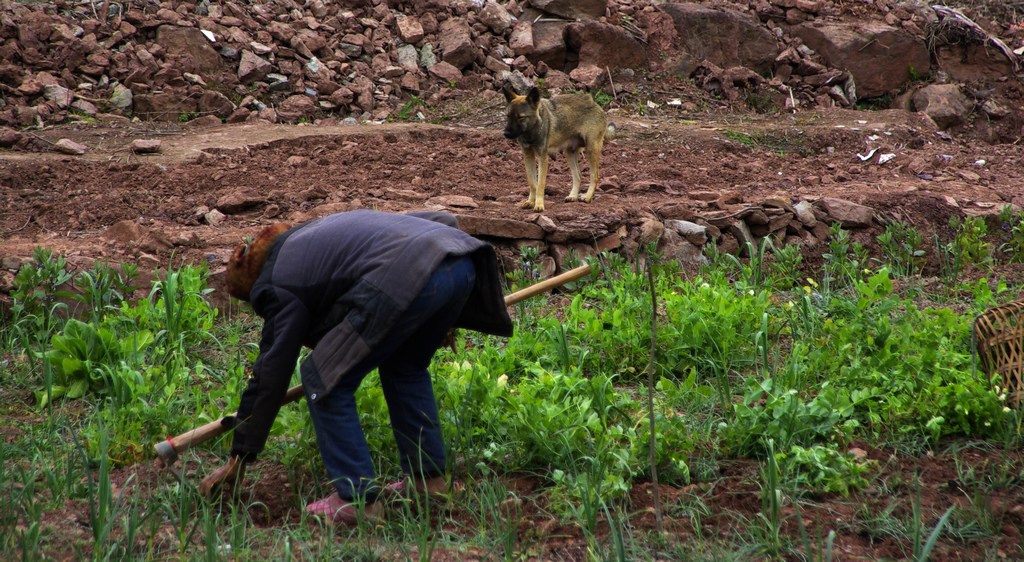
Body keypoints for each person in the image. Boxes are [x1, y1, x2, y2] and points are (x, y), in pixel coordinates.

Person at [201, 209, 514, 525]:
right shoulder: (318, 235)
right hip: (459, 263)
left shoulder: (277, 283)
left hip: (407, 278)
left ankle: (357, 499)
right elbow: (444, 221)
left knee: (324, 378)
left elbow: (272, 371)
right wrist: (433, 302)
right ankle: (429, 483)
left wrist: (240, 456)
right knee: (405, 366)